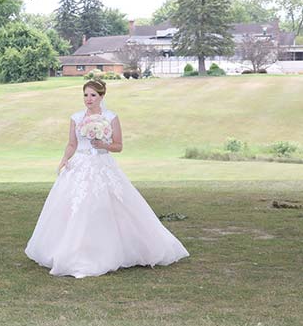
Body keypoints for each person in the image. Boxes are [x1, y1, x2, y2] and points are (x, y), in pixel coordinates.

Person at [25, 79, 188, 278]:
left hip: (103, 165)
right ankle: (74, 251)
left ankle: (114, 250)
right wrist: (64, 160)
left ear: (102, 96)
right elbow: (71, 144)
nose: (88, 99)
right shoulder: (76, 117)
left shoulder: (111, 117)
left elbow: (118, 146)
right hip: (80, 166)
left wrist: (103, 144)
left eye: (93, 95)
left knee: (110, 206)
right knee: (75, 207)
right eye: (85, 95)